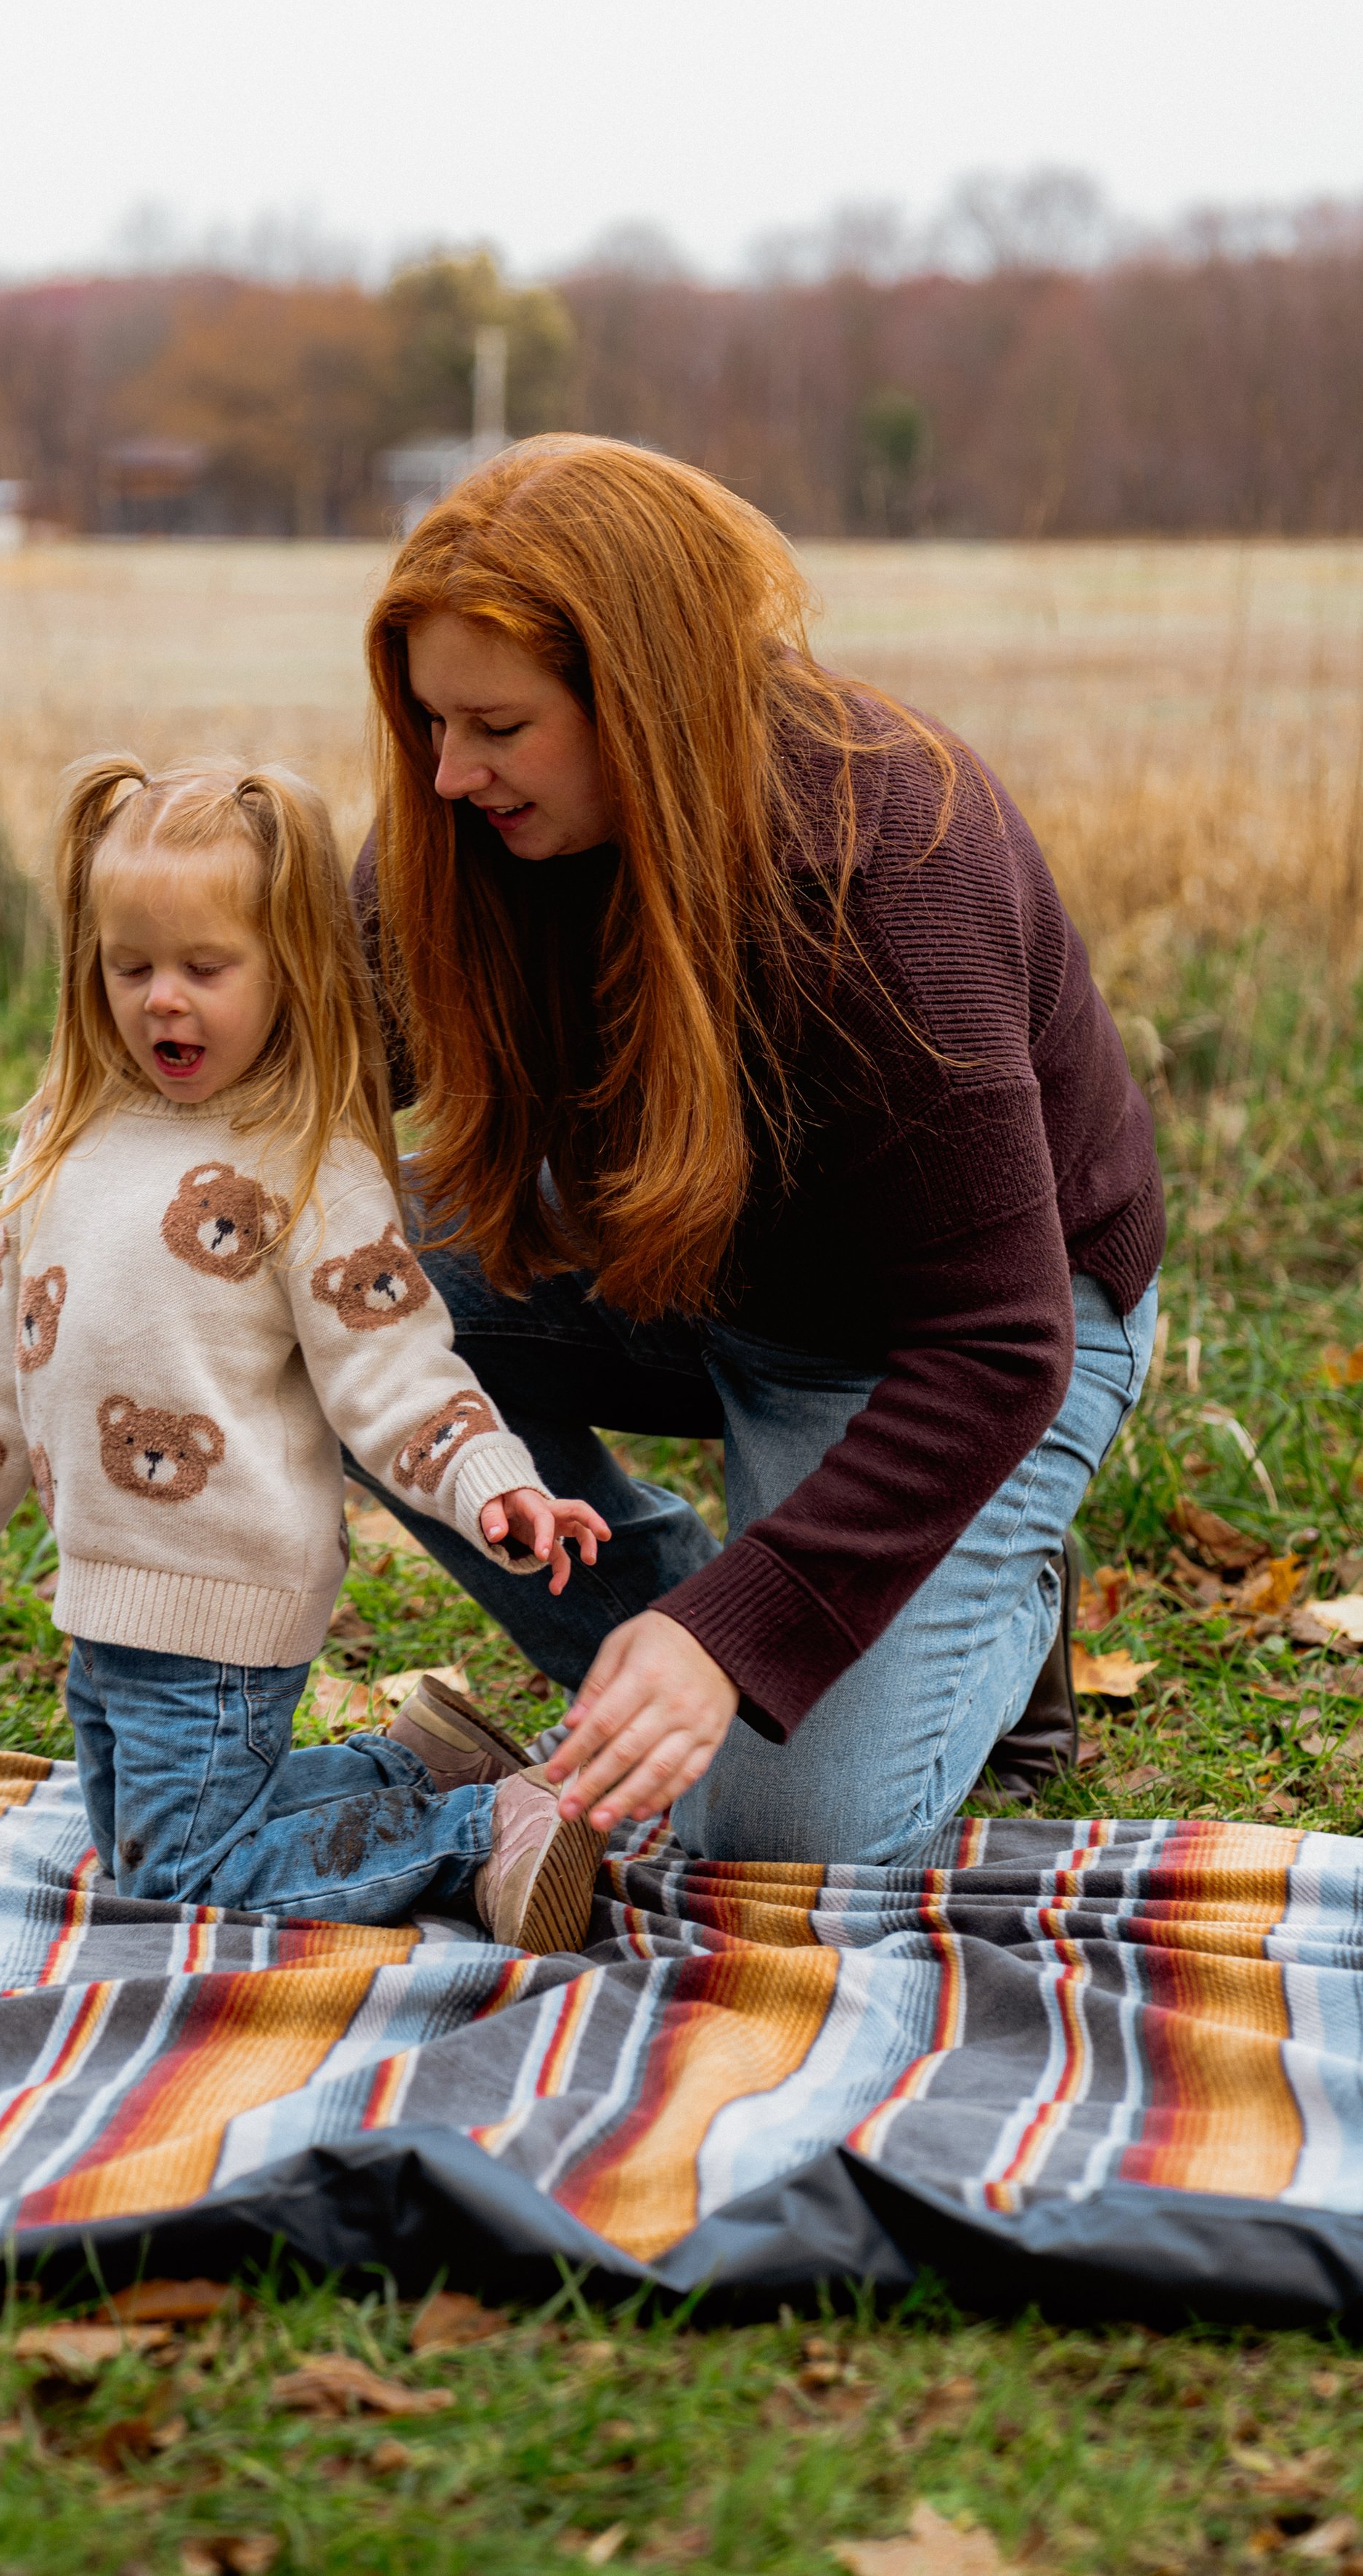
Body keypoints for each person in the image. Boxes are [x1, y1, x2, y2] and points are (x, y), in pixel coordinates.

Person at [351, 435, 1165, 1869]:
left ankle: (993, 1593)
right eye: (430, 719)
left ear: (640, 696)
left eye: (492, 724)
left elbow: (995, 1339)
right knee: (296, 1298)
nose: (444, 768)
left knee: (770, 1843)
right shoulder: (471, 817)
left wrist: (751, 1633)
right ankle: (681, 1623)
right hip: (686, 1251)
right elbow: (305, 1077)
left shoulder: (883, 872)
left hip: (957, 1338)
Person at [0, 753, 611, 1953]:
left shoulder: (304, 1166)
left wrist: (494, 1483)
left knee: (181, 1874)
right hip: (104, 1592)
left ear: (292, 971)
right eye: (132, 967)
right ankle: (408, 1764)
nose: (165, 998)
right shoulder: (68, 1143)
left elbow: (398, 1369)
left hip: (224, 1602)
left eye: (206, 968)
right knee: (147, 1843)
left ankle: (486, 1830)